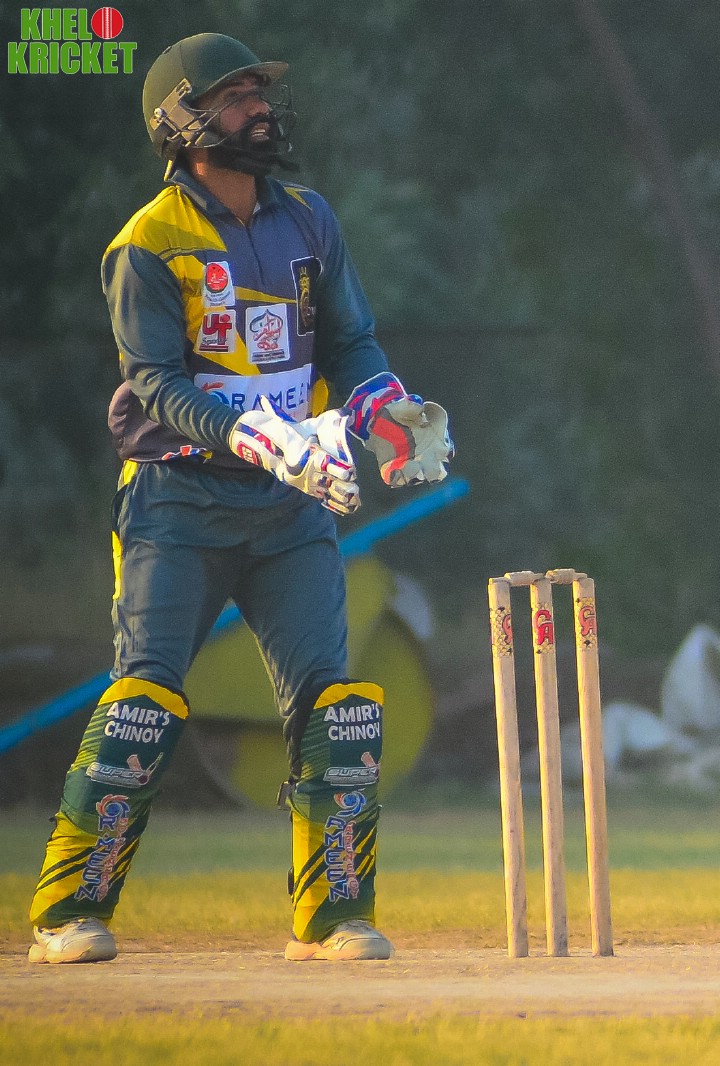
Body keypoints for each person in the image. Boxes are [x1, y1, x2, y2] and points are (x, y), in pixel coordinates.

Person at [27, 33, 454, 965]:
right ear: (180, 124)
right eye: (234, 98)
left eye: (260, 93)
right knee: (143, 701)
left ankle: (332, 919)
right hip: (176, 504)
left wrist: (383, 409)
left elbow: (351, 343)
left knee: (335, 706)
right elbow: (155, 383)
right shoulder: (146, 244)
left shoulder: (308, 219)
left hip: (290, 506)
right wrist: (256, 433)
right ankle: (67, 913)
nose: (259, 110)